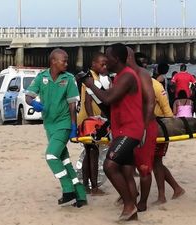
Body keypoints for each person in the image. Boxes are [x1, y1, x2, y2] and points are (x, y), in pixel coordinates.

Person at [83, 43, 145, 221]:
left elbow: (108, 98)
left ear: (116, 59)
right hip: (121, 129)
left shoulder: (127, 76)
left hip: (131, 130)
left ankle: (129, 205)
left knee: (109, 166)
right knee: (126, 171)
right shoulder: (118, 77)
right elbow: (110, 104)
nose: (105, 61)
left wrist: (90, 84)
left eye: (107, 58)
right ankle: (131, 211)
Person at [25, 48, 87, 208]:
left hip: (64, 123)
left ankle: (68, 190)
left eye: (67, 60)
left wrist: (73, 125)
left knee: (51, 156)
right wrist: (33, 103)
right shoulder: (41, 77)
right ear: (53, 61)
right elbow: (28, 96)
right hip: (49, 125)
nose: (67, 63)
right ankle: (81, 195)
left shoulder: (69, 78)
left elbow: (72, 104)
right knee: (64, 160)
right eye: (64, 61)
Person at [127, 47, 157, 212]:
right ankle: (131, 195)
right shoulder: (122, 76)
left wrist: (144, 128)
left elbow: (150, 102)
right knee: (125, 164)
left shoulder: (142, 75)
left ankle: (143, 202)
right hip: (128, 125)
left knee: (144, 167)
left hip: (144, 125)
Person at [77, 52, 109, 195]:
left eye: (106, 64)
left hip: (92, 120)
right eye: (102, 64)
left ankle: (86, 185)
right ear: (93, 64)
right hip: (89, 121)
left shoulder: (97, 77)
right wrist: (93, 120)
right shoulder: (90, 78)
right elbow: (87, 101)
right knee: (93, 152)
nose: (104, 67)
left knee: (89, 152)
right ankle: (93, 187)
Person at [152, 78, 185, 204]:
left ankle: (162, 196)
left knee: (156, 161)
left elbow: (167, 111)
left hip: (160, 127)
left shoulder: (156, 86)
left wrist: (168, 131)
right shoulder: (134, 83)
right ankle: (177, 188)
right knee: (153, 162)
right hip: (147, 127)